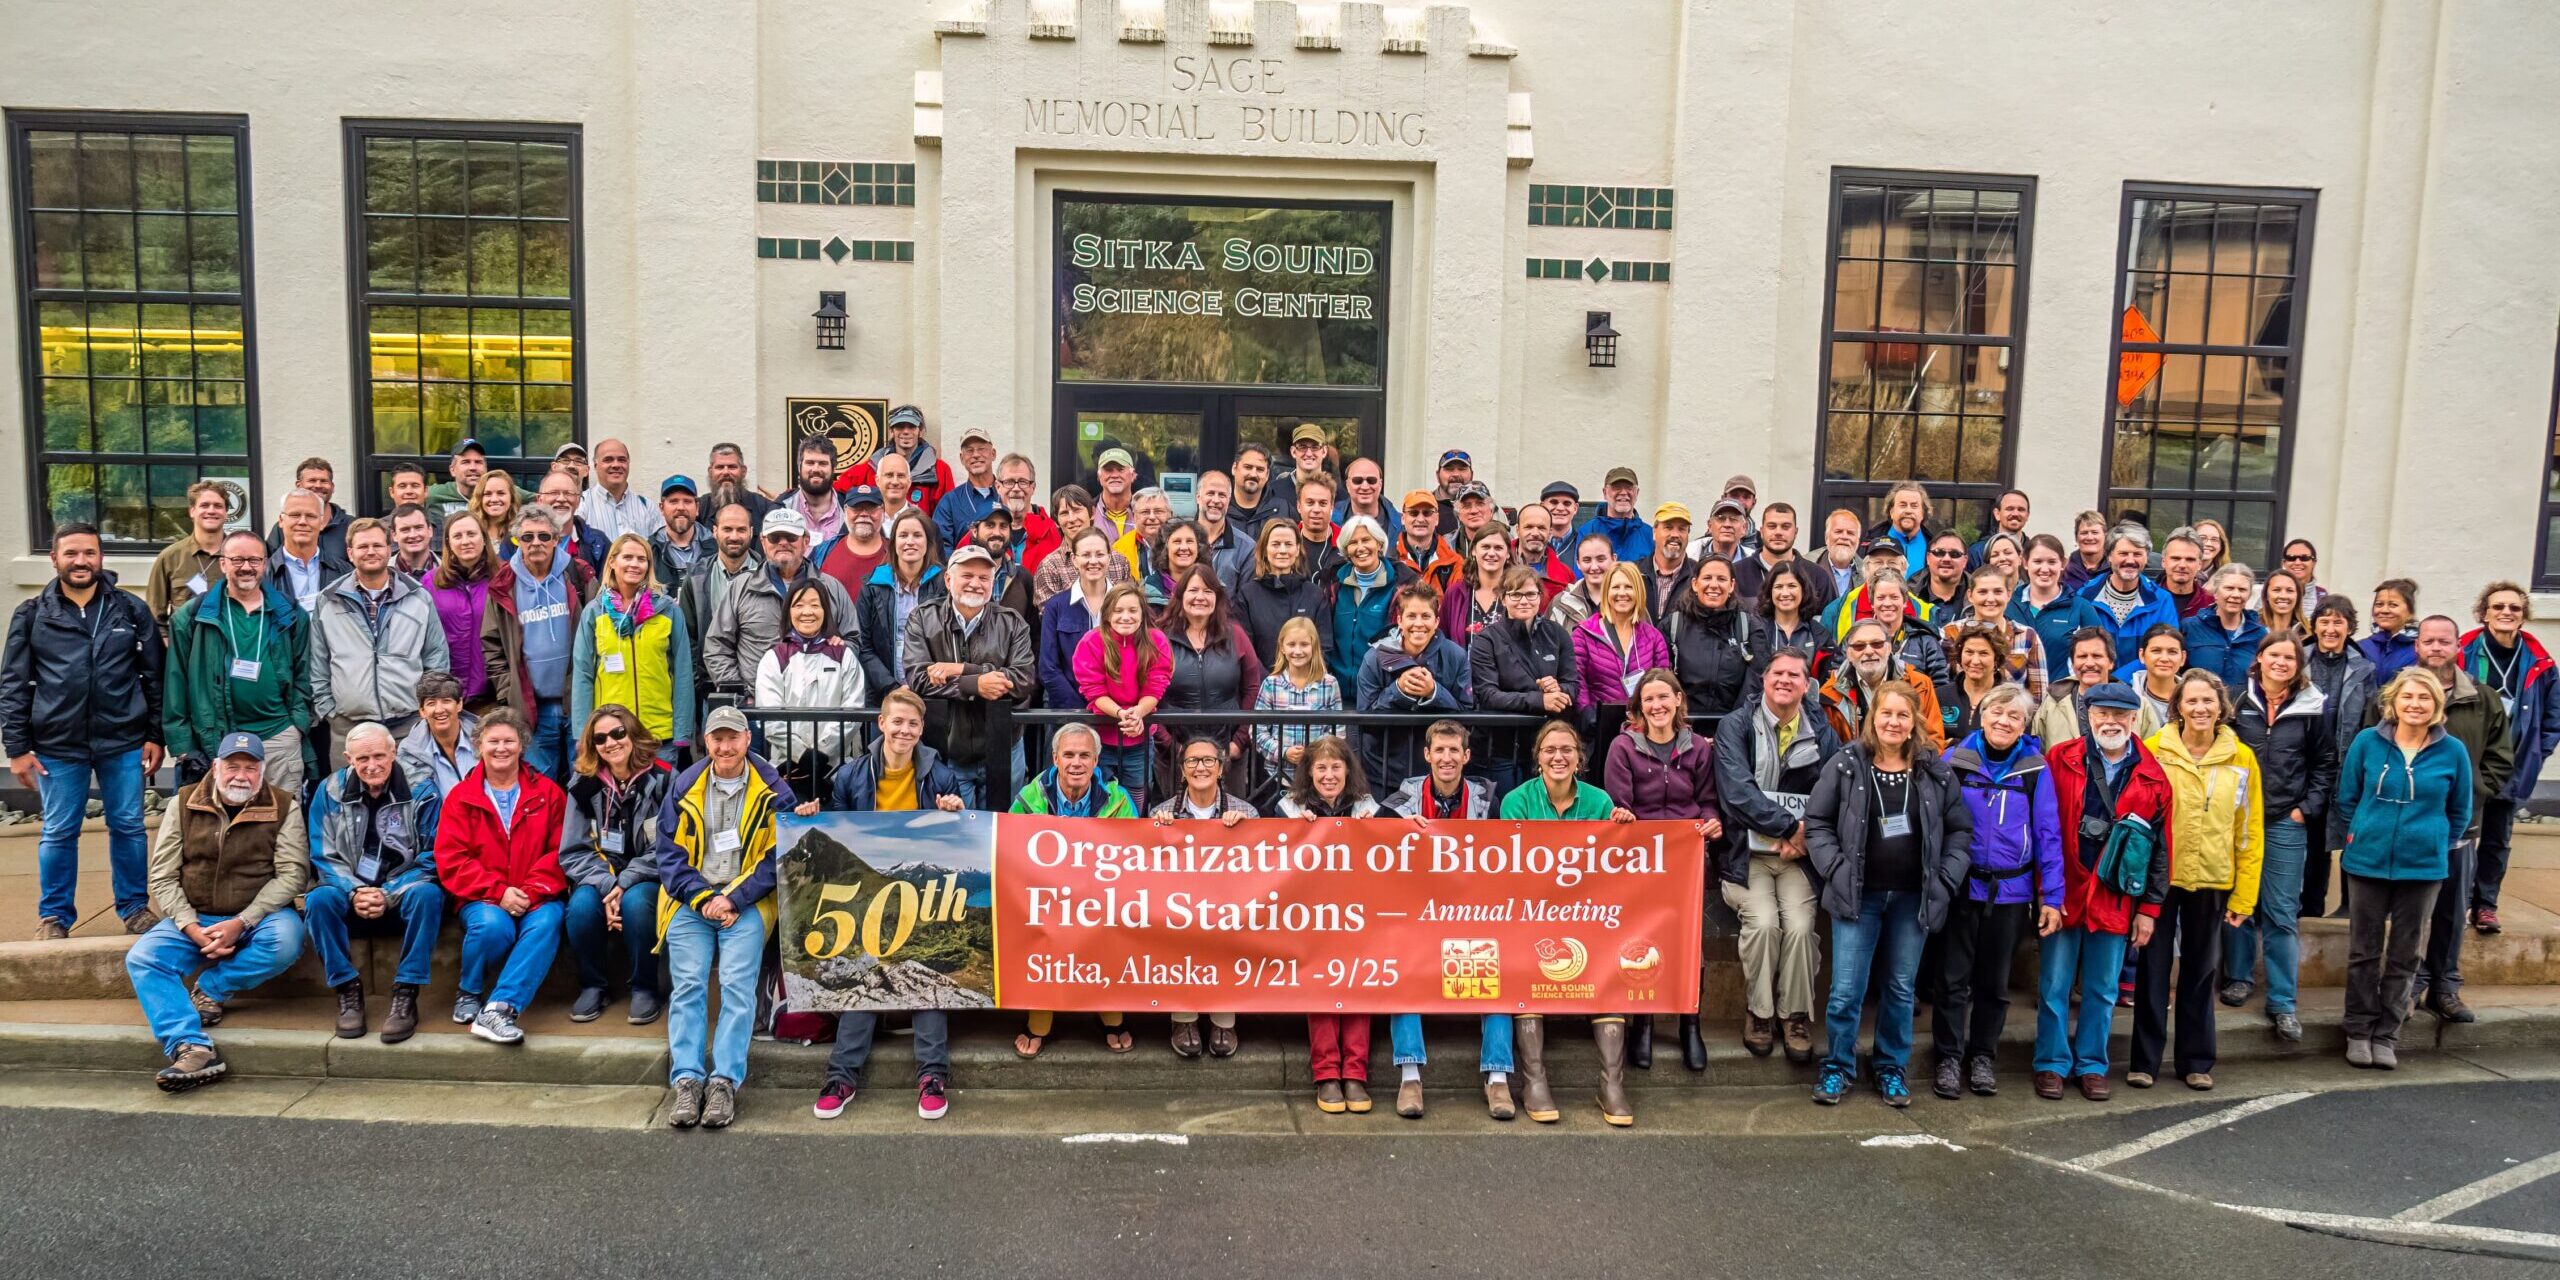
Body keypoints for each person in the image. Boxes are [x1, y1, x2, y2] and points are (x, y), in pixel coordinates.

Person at [1804, 681, 1970, 1108]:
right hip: (1858, 895)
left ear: (1914, 721)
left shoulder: (1934, 769)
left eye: (1902, 715)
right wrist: (1836, 869)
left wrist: (1946, 879)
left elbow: (1959, 831)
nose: (1893, 722)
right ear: (1871, 718)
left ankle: (1890, 1067)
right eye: (1886, 713)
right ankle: (1839, 1066)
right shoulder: (1846, 764)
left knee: (1899, 988)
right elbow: (1817, 822)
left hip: (1913, 898)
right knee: (1846, 990)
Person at [123, 732, 309, 1092]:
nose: (241, 775)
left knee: (288, 939)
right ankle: (190, 1045)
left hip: (258, 917)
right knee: (144, 958)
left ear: (262, 771)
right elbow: (161, 875)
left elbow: (292, 875)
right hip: (194, 915)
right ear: (216, 767)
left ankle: (210, 989)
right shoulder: (183, 802)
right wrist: (190, 926)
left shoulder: (285, 806)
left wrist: (241, 923)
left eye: (250, 768)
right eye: (233, 766)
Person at [811, 689, 967, 1120]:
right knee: (866, 968)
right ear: (881, 724)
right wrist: (813, 818)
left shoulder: (940, 775)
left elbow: (957, 842)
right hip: (867, 896)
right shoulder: (850, 776)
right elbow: (839, 835)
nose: (904, 730)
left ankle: (932, 1076)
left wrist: (956, 811)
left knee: (926, 973)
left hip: (921, 893)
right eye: (897, 722)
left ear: (921, 729)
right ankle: (841, 1076)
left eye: (913, 724)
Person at [650, 704, 793, 1129]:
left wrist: (733, 898)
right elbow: (669, 856)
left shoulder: (774, 789)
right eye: (717, 738)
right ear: (706, 742)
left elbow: (778, 856)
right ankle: (688, 1079)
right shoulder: (685, 784)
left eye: (733, 737)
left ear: (748, 740)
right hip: (692, 902)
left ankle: (725, 1081)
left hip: (746, 902)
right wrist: (703, 899)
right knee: (689, 984)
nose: (725, 746)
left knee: (736, 985)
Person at [2032, 682, 2176, 1100]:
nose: (2110, 722)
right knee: (2055, 984)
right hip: (2067, 889)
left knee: (2102, 988)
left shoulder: (2153, 776)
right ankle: (2051, 1063)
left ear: (2135, 719)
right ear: (2088, 716)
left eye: (2120, 715)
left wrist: (2149, 908)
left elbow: (2161, 848)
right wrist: (2048, 895)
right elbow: (2046, 830)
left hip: (2116, 895)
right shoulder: (2061, 759)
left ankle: (2092, 1064)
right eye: (2102, 714)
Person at [1500, 720, 1642, 1124]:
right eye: (1549, 750)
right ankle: (1534, 1079)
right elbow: (1515, 866)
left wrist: (1622, 831)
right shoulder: (1516, 801)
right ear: (1537, 758)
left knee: (1608, 970)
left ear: (1580, 758)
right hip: (1532, 913)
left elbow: (1609, 863)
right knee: (1526, 971)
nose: (1558, 757)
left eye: (1566, 750)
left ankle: (1611, 1083)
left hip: (1586, 914)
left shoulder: (1598, 801)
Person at [2334, 669, 2472, 1071]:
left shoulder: (2453, 752)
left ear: (2436, 706)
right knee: (2364, 951)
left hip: (2423, 867)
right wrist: (2362, 834)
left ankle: (2387, 1034)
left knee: (2406, 954)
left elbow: (2460, 810)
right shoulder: (2367, 743)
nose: (2415, 704)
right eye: (2408, 697)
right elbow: (2347, 799)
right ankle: (2358, 1031)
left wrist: (2433, 844)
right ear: (2393, 702)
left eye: (2424, 698)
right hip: (2367, 862)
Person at [2133, 671, 2264, 1091]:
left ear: (2221, 707)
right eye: (2191, 701)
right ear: (2178, 707)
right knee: (2152, 970)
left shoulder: (2241, 758)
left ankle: (2196, 1060)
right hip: (2161, 879)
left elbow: (2249, 831)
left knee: (2200, 972)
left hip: (2212, 878)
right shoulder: (2154, 751)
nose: (2200, 708)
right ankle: (2144, 1062)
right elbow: (2140, 822)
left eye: (2208, 700)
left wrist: (2244, 896)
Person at [1378, 721, 1515, 1118]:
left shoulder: (1488, 797)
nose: (1447, 758)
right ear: (1427, 754)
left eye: (1455, 751)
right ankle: (1409, 1076)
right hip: (1416, 915)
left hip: (1472, 912)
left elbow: (1509, 852)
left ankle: (1498, 1080)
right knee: (1402, 971)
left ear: (1467, 757)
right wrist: (1396, 831)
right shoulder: (1402, 798)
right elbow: (1371, 841)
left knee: (1499, 975)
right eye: (1439, 750)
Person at [1936, 685, 2063, 1099]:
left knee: (1994, 982)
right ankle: (1949, 1057)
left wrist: (2053, 898)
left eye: (2014, 716)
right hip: (1961, 886)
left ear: (2024, 725)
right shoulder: (1954, 760)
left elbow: (2048, 834)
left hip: (2011, 890)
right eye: (1997, 712)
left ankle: (1983, 1055)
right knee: (1953, 979)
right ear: (1983, 714)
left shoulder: (2034, 769)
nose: (2004, 722)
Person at [1713, 649, 1839, 1061]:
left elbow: (1831, 789)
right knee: (1764, 924)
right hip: (1745, 855)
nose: (1785, 680)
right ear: (1763, 680)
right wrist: (1790, 827)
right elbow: (1736, 791)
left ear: (1807, 684)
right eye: (1777, 673)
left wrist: (1804, 837)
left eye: (1795, 675)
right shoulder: (1736, 725)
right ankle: (1760, 1013)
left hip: (1797, 857)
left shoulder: (1821, 728)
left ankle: (1796, 1015)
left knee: (1802, 926)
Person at [1605, 671, 1723, 1072]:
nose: (1656, 706)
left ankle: (1691, 1021)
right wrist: (1620, 816)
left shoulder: (1698, 749)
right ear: (1638, 707)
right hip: (1641, 860)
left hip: (1687, 859)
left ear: (1677, 700)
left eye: (1663, 698)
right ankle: (1645, 1021)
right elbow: (1619, 804)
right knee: (1645, 941)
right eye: (1648, 700)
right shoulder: (1623, 747)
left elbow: (1708, 800)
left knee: (1689, 942)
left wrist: (1711, 821)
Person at [431, 709, 568, 1044]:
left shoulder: (549, 793)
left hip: (537, 894)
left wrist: (530, 891)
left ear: (522, 745)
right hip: (482, 897)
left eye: (509, 740)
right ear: (479, 746)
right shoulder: (461, 798)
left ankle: (500, 1007)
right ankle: (470, 990)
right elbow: (452, 859)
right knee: (494, 927)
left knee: (549, 920)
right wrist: (499, 891)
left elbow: (562, 850)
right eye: (493, 741)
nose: (501, 748)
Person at [304, 721, 444, 1043]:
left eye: (379, 756)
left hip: (402, 888)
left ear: (394, 752)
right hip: (350, 890)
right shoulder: (329, 791)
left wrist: (389, 893)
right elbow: (323, 855)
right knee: (317, 901)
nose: (372, 765)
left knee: (429, 895)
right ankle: (347, 989)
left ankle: (406, 992)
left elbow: (433, 856)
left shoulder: (422, 789)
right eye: (362, 759)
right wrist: (354, 891)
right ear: (348, 758)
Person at [2223, 633, 2332, 1042]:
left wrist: (2307, 808)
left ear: (2298, 663)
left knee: (2281, 911)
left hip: (2287, 821)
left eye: (2290, 657)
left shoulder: (2313, 707)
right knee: (2239, 904)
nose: (2282, 662)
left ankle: (2284, 1001)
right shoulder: (2236, 702)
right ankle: (2238, 978)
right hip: (2239, 819)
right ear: (2260, 659)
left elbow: (2324, 763)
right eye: (2274, 655)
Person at [2407, 615, 2514, 1024]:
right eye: (2428, 641)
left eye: (2444, 641)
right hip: (2410, 823)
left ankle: (2445, 987)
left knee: (2452, 910)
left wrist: (2475, 795)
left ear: (2457, 647)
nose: (2436, 647)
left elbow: (2500, 757)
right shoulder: (2396, 695)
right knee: (2412, 911)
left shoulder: (2482, 698)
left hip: (2461, 827)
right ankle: (2412, 982)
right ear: (2417, 647)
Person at [1009, 722, 1137, 1057]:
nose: (1076, 763)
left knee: (1111, 929)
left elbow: (1133, 853)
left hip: (1100, 897)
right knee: (1042, 929)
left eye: (1084, 755)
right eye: (1068, 755)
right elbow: (1011, 850)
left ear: (1096, 761)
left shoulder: (1118, 798)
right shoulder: (1030, 797)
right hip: (1047, 897)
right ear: (1055, 758)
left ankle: (1109, 1012)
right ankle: (1040, 1018)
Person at [1281, 735, 1386, 1115]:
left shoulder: (1368, 808)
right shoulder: (1288, 809)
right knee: (1322, 992)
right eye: (1321, 768)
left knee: (1358, 989)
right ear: (1309, 773)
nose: (1328, 775)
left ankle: (1355, 1074)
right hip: (1311, 921)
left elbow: (1398, 849)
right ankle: (1326, 1075)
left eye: (1335, 767)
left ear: (1348, 771)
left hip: (1358, 919)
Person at [163, 530, 309, 794]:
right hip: (219, 741)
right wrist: (182, 745)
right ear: (223, 563)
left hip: (278, 736)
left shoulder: (290, 613)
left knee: (284, 822)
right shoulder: (193, 617)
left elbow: (304, 673)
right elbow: (176, 681)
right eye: (237, 560)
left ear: (264, 564)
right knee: (222, 827)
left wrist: (296, 724)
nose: (246, 567)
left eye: (254, 560)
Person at [900, 544, 1035, 807]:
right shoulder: (922, 618)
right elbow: (918, 678)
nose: (976, 583)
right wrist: (976, 684)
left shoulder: (1012, 621)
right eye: (967, 576)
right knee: (955, 834)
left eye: (984, 578)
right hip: (948, 750)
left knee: (1002, 830)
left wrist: (961, 669)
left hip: (1004, 747)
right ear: (949, 580)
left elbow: (1024, 679)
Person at [310, 519, 450, 771]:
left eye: (377, 545)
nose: (371, 551)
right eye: (363, 546)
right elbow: (317, 663)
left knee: (412, 798)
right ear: (350, 553)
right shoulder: (329, 600)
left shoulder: (418, 597)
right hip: (348, 729)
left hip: (408, 727)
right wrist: (329, 711)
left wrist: (426, 708)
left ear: (389, 549)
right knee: (349, 802)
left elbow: (436, 659)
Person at [1148, 735, 1255, 1058]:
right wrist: (1156, 833)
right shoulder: (1162, 812)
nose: (1201, 767)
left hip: (1229, 908)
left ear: (1221, 768)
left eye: (1209, 760)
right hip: (1180, 909)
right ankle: (1184, 1019)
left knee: (1230, 937)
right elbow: (1147, 875)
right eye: (1192, 761)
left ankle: (1224, 1020)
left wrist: (1248, 832)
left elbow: (1263, 871)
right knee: (1178, 935)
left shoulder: (1245, 811)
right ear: (1182, 771)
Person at [2460, 582, 2553, 938]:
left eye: (2514, 608)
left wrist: (2537, 752)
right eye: (2498, 607)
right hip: (2470, 763)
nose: (2506, 613)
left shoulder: (2540, 661)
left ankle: (2486, 905)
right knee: (2463, 836)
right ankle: (2458, 899)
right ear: (2484, 612)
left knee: (2497, 839)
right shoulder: (2464, 651)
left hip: (2512, 766)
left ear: (2523, 615)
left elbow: (2552, 717)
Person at [481, 505, 591, 783]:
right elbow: (491, 644)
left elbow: (599, 631)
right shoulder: (504, 584)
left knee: (583, 783)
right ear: (516, 541)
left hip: (578, 703)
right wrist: (509, 691)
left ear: (556, 539)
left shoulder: (578, 575)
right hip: (532, 708)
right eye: (527, 537)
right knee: (538, 787)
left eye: (544, 536)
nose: (536, 543)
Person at [703, 508, 858, 701]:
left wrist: (840, 647)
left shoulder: (831, 588)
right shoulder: (741, 588)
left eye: (791, 537)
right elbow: (717, 646)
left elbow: (854, 640)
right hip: (755, 707)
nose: (783, 543)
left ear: (806, 542)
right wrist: (741, 694)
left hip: (820, 708)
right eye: (775, 537)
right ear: (763, 542)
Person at [571, 534, 696, 764]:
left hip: (659, 735)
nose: (634, 564)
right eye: (627, 557)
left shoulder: (667, 610)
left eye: (642, 559)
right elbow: (583, 675)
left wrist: (682, 733)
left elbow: (683, 674)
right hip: (612, 736)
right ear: (612, 562)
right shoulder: (595, 612)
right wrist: (582, 733)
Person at [1467, 565, 1577, 793]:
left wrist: (1559, 690)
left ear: (1540, 597)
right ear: (1503, 598)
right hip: (1498, 750)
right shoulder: (1486, 640)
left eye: (1530, 594)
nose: (1523, 601)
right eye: (1515, 594)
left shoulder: (1558, 634)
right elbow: (1488, 695)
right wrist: (1540, 701)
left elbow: (1573, 684)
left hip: (1546, 747)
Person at [752, 581, 866, 799]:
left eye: (815, 605)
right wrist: (801, 754)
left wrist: (822, 752)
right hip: (786, 768)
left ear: (825, 610)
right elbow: (769, 717)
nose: (807, 612)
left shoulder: (843, 655)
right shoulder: (775, 657)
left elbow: (853, 710)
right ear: (789, 611)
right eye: (799, 605)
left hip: (836, 769)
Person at [1157, 568, 1263, 792]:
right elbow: (1147, 693)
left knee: (1231, 820)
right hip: (1175, 751)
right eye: (1193, 590)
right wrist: (1170, 745)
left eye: (1208, 591)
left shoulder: (1235, 634)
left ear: (1217, 597)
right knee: (1175, 820)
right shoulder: (1160, 637)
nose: (1200, 597)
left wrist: (1238, 743)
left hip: (1227, 749)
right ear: (1181, 595)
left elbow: (1252, 688)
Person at [1355, 583, 1473, 781]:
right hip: (1382, 770)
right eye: (1411, 616)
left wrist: (1434, 692)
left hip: (1435, 773)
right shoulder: (1374, 657)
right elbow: (1365, 720)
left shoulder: (1456, 656)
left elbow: (1467, 716)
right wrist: (1398, 691)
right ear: (1400, 620)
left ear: (1436, 621)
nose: (1418, 624)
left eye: (1426, 616)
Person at [2303, 594, 2374, 917]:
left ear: (2349, 627)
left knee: (2342, 837)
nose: (2330, 629)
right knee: (2307, 838)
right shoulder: (2298, 661)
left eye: (2338, 622)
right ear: (2314, 625)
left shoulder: (2363, 668)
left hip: (2346, 764)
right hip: (2303, 765)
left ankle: (2343, 906)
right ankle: (2305, 906)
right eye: (2325, 621)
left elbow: (2369, 718)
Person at [1075, 582, 1173, 806]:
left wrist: (1138, 713)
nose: (1125, 617)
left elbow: (1155, 687)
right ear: (1107, 614)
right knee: (1099, 795)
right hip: (1101, 736)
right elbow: (1093, 690)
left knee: (1136, 794)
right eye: (1118, 611)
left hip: (1139, 736)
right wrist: (1121, 714)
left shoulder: (1156, 641)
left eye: (1132, 610)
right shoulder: (1091, 642)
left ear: (1142, 613)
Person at [1663, 556, 1770, 726]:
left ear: (1732, 586)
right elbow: (1662, 679)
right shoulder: (1673, 625)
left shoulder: (1748, 626)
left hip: (1736, 726)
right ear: (1695, 584)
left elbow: (1758, 679)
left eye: (1721, 579)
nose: (1714, 585)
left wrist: (1733, 726)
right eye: (1707, 578)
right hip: (1681, 726)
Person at [1572, 563, 1671, 743]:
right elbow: (1578, 679)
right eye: (1616, 587)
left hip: (1644, 730)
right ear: (1606, 592)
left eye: (1629, 587)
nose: (1622, 593)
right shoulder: (1584, 633)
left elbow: (1664, 681)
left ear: (1638, 592)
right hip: (1597, 731)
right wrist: (1587, 713)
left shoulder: (1654, 637)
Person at [854, 509, 945, 698]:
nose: (910, 541)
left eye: (917, 535)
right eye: (903, 535)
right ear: (893, 543)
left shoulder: (945, 584)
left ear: (928, 543)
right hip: (884, 693)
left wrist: (928, 683)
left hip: (934, 692)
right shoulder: (873, 585)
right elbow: (863, 645)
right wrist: (891, 687)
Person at [1819, 618, 1946, 752]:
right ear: (1848, 654)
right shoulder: (1829, 695)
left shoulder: (1919, 685)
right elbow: (1830, 752)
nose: (1868, 651)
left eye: (1877, 644)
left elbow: (1933, 742)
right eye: (1859, 646)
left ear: (1889, 648)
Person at [1253, 616, 1345, 787]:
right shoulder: (1271, 684)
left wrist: (1316, 754)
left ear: (1314, 647)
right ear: (1282, 648)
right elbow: (1257, 731)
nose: (1298, 651)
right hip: (1278, 777)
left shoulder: (1329, 684)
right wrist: (1283, 752)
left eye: (1304, 644)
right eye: (1291, 644)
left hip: (1318, 779)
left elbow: (1337, 731)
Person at [425, 512, 500, 710]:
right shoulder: (430, 582)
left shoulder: (503, 577)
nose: (465, 541)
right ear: (448, 543)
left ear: (484, 539)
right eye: (458, 536)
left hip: (493, 691)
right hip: (447, 694)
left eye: (471, 534)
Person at [2078, 527, 2179, 667]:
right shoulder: (2084, 598)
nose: (2130, 560)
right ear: (2109, 556)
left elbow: (2165, 652)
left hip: (2142, 685)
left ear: (2146, 558)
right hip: (2095, 685)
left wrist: (2121, 681)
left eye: (2138, 554)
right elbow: (2078, 652)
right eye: (2123, 553)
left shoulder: (2162, 601)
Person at [1235, 520, 1330, 669]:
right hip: (1263, 687)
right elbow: (1246, 651)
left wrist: (1303, 680)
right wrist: (1271, 683)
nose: (1283, 550)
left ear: (1298, 549)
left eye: (1288, 544)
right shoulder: (1248, 595)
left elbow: (1324, 647)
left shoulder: (1314, 595)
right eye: (1276, 544)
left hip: (1308, 686)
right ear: (1265, 549)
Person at [1325, 516, 1410, 679]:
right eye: (1353, 542)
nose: (1360, 547)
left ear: (1379, 544)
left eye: (1366, 540)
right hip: (1336, 691)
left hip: (1378, 689)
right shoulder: (1333, 585)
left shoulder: (1401, 587)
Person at [1945, 567, 2047, 698]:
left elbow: (2039, 695)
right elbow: (1942, 686)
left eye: (1998, 592)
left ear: (2009, 594)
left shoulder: (2027, 636)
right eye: (1982, 592)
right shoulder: (1951, 632)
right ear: (1970, 595)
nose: (1991, 599)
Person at [146, 479, 233, 627]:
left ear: (225, 513)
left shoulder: (240, 557)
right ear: (192, 511)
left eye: (218, 506)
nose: (211, 510)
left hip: (229, 645)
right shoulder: (169, 558)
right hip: (185, 646)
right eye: (204, 505)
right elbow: (155, 617)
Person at [841, 404, 955, 516]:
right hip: (879, 534)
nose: (906, 431)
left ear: (920, 431)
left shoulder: (939, 470)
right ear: (892, 431)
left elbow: (948, 514)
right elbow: (837, 491)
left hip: (918, 533)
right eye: (900, 426)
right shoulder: (872, 468)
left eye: (911, 427)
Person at [1032, 486, 1132, 605]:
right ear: (1056, 522)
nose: (1072, 519)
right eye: (1064, 513)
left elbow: (1129, 608)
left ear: (1092, 513)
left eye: (1077, 510)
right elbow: (1051, 618)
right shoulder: (1049, 567)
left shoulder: (1119, 561)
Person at [2181, 564, 2266, 691]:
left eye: (2242, 590)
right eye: (2229, 588)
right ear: (2215, 592)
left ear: (2249, 595)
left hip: (2243, 708)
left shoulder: (2260, 634)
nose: (2236, 594)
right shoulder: (2190, 627)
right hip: (2200, 707)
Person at [268, 488, 351, 615]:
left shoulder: (344, 573)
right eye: (295, 515)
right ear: (281, 520)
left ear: (322, 522)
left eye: (311, 516)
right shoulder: (263, 575)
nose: (302, 522)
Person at [397, 672, 479, 796]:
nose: (439, 710)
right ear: (422, 711)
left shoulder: (486, 737)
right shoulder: (409, 752)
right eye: (431, 703)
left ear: (459, 704)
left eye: (446, 701)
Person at [265, 457, 354, 563]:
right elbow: (270, 566)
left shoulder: (351, 526)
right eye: (312, 480)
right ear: (298, 486)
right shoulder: (284, 527)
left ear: (332, 486)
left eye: (324, 481)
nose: (318, 485)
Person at [931, 426, 1004, 553]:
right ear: (961, 458)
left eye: (981, 449)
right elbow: (940, 548)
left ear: (993, 454)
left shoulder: (1006, 495)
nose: (975, 455)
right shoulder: (950, 502)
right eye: (969, 451)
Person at [817, 484, 891, 605]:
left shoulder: (896, 553)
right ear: (845, 511)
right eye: (856, 508)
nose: (863, 514)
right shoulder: (823, 551)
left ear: (882, 512)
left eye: (871, 508)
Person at [577, 438, 661, 541]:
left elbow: (658, 552)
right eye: (608, 460)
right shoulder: (581, 504)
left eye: (622, 460)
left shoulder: (647, 507)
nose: (616, 465)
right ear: (595, 466)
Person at [1442, 520, 1512, 644]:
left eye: (1498, 548)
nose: (1491, 553)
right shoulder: (1455, 593)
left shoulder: (1517, 593)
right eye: (1485, 547)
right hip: (1464, 663)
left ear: (1507, 554)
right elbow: (1443, 639)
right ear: (1474, 550)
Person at [1757, 559, 1833, 670]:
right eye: (1778, 587)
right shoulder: (1756, 630)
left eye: (1792, 586)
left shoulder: (1819, 635)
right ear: (1770, 591)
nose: (1785, 593)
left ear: (1803, 590)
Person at [533, 467, 611, 573]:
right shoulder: (517, 540)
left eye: (568, 493)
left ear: (578, 501)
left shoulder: (599, 543)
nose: (561, 499)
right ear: (539, 500)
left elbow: (606, 586)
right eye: (553, 493)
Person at [1574, 466, 1653, 567]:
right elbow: (1580, 576)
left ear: (1637, 493)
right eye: (1617, 487)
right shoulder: (1588, 531)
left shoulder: (1649, 535)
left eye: (1629, 487)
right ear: (1605, 493)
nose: (1624, 492)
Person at [998, 454, 1062, 575]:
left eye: (1023, 482)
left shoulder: (1054, 533)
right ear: (998, 487)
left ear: (1033, 487)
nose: (1016, 488)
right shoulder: (982, 532)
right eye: (1009, 482)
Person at [1730, 501, 1802, 608]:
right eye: (1772, 526)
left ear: (1795, 532)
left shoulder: (1816, 576)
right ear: (1762, 531)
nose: (1778, 532)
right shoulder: (1736, 573)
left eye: (1785, 527)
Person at [1942, 626, 2008, 742]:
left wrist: (1955, 744)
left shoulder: (2010, 700)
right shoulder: (1941, 696)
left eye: (1983, 653)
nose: (1975, 661)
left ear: (1996, 659)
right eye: (1969, 652)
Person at [1545, 532, 1618, 632]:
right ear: (1578, 563)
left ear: (1614, 559)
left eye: (1601, 559)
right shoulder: (1561, 602)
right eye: (1587, 560)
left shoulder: (1628, 599)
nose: (1594, 567)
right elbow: (1549, 644)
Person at [649, 475, 708, 587]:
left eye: (687, 501)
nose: (681, 507)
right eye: (673, 501)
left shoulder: (715, 547)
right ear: (662, 508)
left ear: (697, 508)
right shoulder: (650, 550)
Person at [1641, 503, 1698, 617]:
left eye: (1682, 529)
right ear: (1654, 532)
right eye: (1668, 527)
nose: (1675, 534)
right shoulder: (1635, 572)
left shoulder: (1699, 575)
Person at [1868, 481, 1933, 577]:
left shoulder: (1934, 546)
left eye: (1914, 506)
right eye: (1903, 505)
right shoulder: (1869, 543)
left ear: (1923, 513)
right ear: (1891, 511)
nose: (1908, 511)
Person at [1517, 498, 1574, 607]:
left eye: (1541, 528)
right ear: (1518, 530)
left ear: (1550, 532)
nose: (1535, 533)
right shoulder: (1501, 567)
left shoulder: (1566, 575)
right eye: (1528, 527)